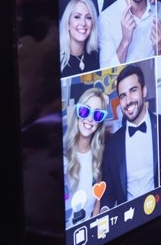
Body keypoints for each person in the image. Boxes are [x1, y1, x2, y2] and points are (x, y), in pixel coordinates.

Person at [100, 64, 161, 209]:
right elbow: (109, 193)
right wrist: (105, 211)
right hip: (129, 220)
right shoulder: (112, 144)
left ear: (144, 91)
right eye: (123, 96)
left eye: (133, 91)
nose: (128, 100)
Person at [63, 87, 109, 227]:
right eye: (85, 110)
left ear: (99, 122)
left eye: (96, 115)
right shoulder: (62, 156)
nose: (89, 119)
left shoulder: (99, 155)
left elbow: (97, 202)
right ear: (77, 112)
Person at [60, 0, 101, 77]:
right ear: (67, 23)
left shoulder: (96, 56)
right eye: (77, 17)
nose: (83, 23)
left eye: (88, 17)